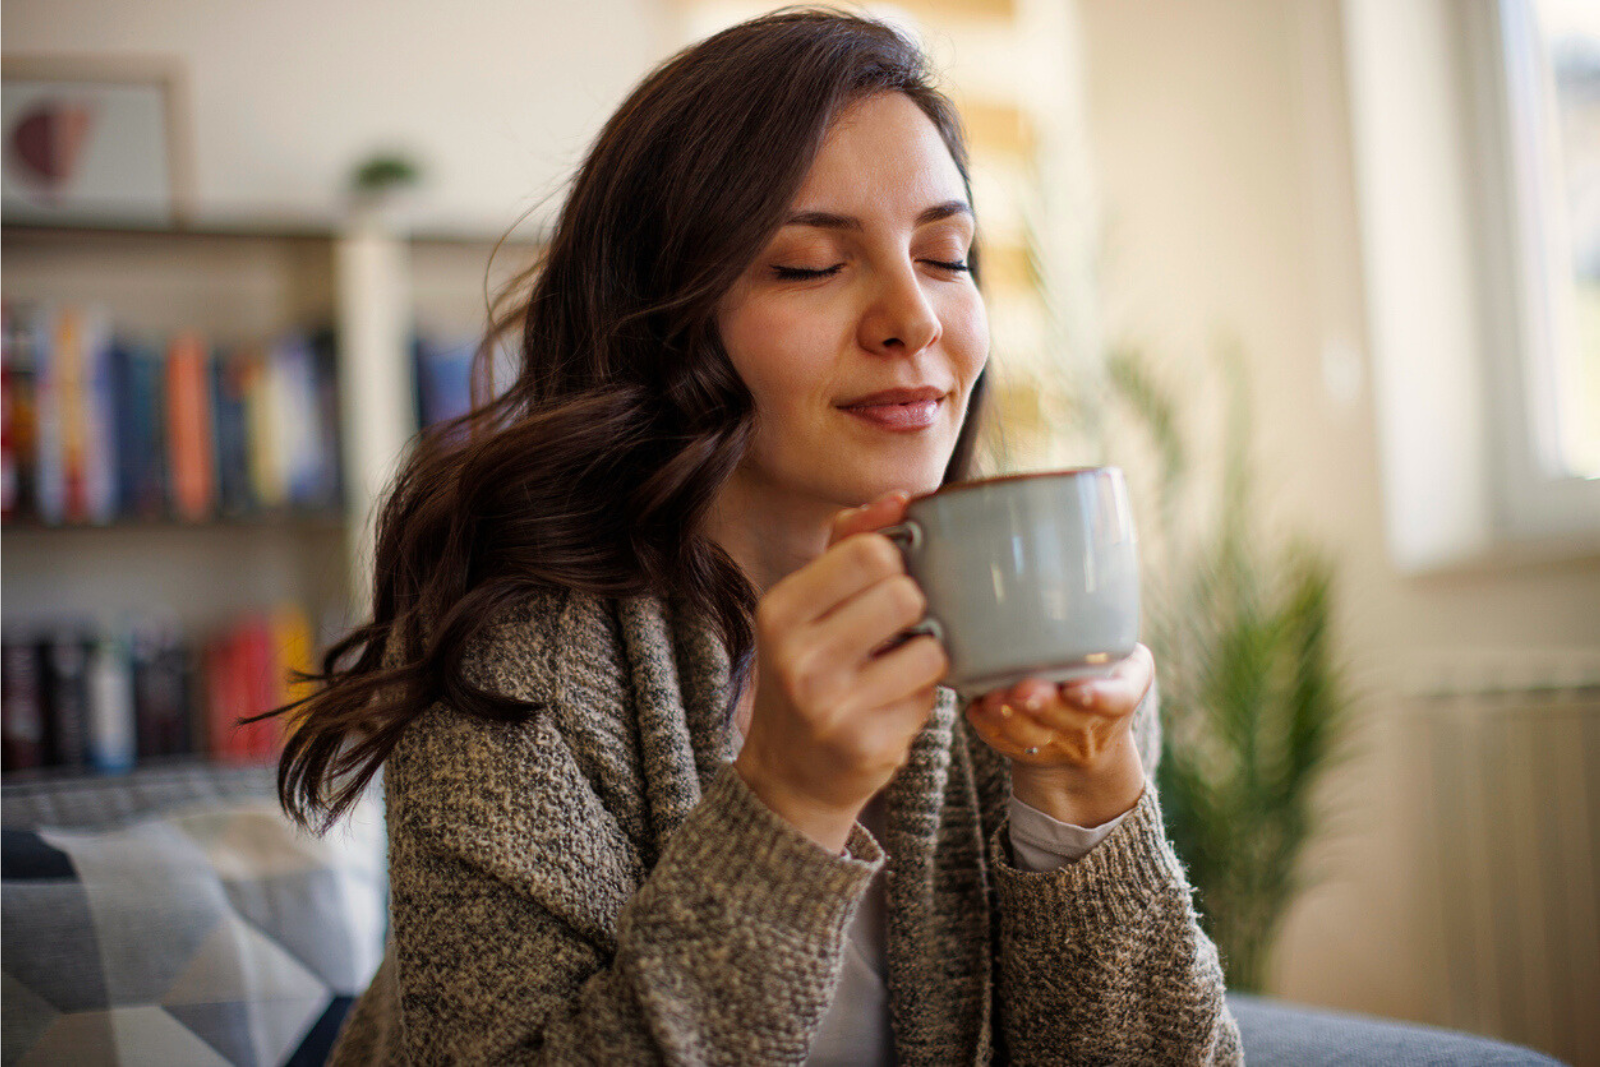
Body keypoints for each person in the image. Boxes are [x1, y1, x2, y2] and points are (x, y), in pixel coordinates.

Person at [266, 8, 1243, 1064]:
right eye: (810, 265)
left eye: (945, 254)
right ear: (665, 323)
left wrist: (1085, 798)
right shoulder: (514, 661)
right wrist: (789, 800)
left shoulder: (1020, 625)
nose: (912, 318)